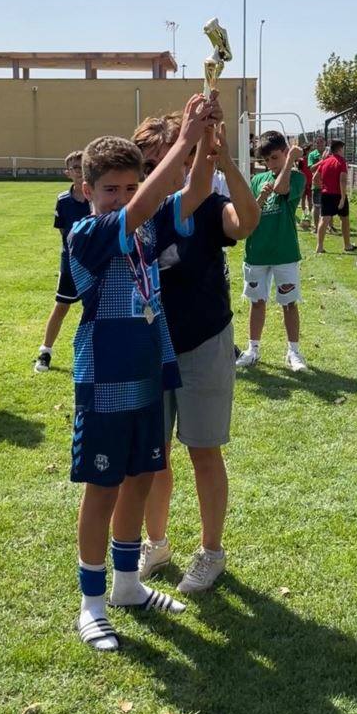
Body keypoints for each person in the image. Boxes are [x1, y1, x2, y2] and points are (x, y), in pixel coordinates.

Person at [67, 93, 217, 652]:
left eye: (133, 186)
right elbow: (138, 212)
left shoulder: (150, 228)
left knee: (138, 481)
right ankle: (91, 604)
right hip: (104, 380)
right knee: (102, 489)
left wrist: (202, 145)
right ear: (88, 191)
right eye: (110, 188)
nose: (124, 197)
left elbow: (195, 193)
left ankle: (128, 585)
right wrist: (180, 142)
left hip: (148, 375)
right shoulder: (88, 235)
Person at [130, 111, 259, 593]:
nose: (157, 170)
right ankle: (155, 543)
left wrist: (225, 159)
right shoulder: (137, 211)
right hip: (150, 344)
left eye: (170, 159)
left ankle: (210, 552)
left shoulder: (204, 202)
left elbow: (245, 223)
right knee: (153, 454)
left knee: (203, 450)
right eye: (148, 163)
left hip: (204, 338)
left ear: (188, 159)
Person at [236, 131, 308, 372]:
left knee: (289, 303)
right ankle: (253, 349)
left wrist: (289, 163)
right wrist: (260, 197)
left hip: (284, 252)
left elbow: (282, 189)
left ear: (286, 154)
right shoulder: (258, 180)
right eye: (267, 160)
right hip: (257, 252)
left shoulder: (296, 177)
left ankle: (294, 352)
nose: (270, 164)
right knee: (257, 302)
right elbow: (249, 214)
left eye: (275, 158)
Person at [34, 152, 90, 372]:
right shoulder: (63, 200)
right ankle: (45, 351)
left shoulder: (97, 196)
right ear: (68, 173)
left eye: (83, 166)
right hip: (71, 262)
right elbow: (63, 233)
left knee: (95, 308)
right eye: (75, 168)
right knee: (61, 306)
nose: (80, 171)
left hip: (95, 262)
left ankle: (93, 353)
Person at [313, 140, 356, 254]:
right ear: (340, 149)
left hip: (326, 194)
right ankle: (347, 245)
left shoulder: (325, 161)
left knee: (324, 219)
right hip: (338, 194)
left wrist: (322, 187)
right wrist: (342, 198)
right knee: (345, 219)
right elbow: (342, 180)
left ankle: (319, 246)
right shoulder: (341, 161)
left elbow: (315, 178)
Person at [307, 136, 324, 232]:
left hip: (328, 185)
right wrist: (322, 161)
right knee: (317, 206)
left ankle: (330, 226)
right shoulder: (312, 155)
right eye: (318, 142)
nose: (320, 144)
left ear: (325, 142)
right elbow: (311, 168)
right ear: (315, 144)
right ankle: (316, 227)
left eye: (321, 142)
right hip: (317, 185)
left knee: (328, 207)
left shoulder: (330, 154)